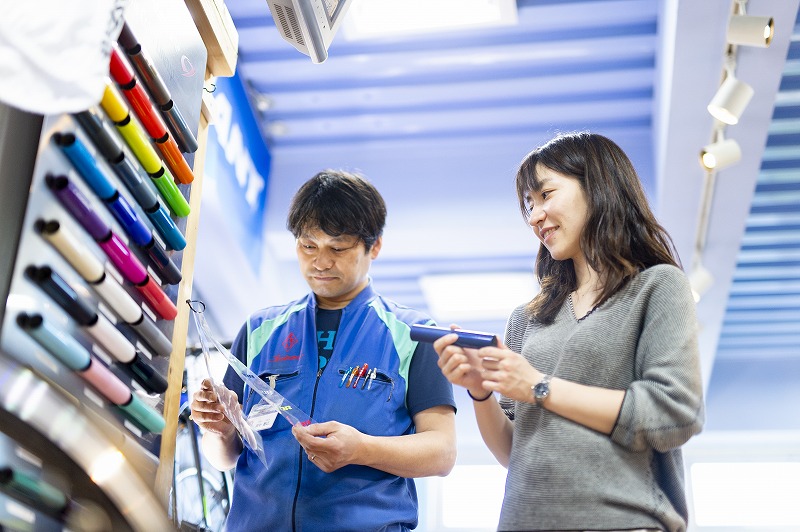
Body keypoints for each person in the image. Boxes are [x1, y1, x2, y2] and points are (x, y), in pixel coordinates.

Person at [433, 132, 705, 532]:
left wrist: (539, 387)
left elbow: (674, 413)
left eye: (545, 195)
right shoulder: (527, 317)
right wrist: (481, 389)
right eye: (528, 205)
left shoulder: (657, 286)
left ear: (598, 187)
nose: (534, 216)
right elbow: (514, 451)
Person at [190, 170, 457, 531]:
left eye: (338, 248)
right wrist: (220, 430)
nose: (320, 262)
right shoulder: (259, 331)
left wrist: (361, 449)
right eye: (308, 246)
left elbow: (441, 452)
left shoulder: (415, 335)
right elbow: (224, 458)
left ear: (373, 245)